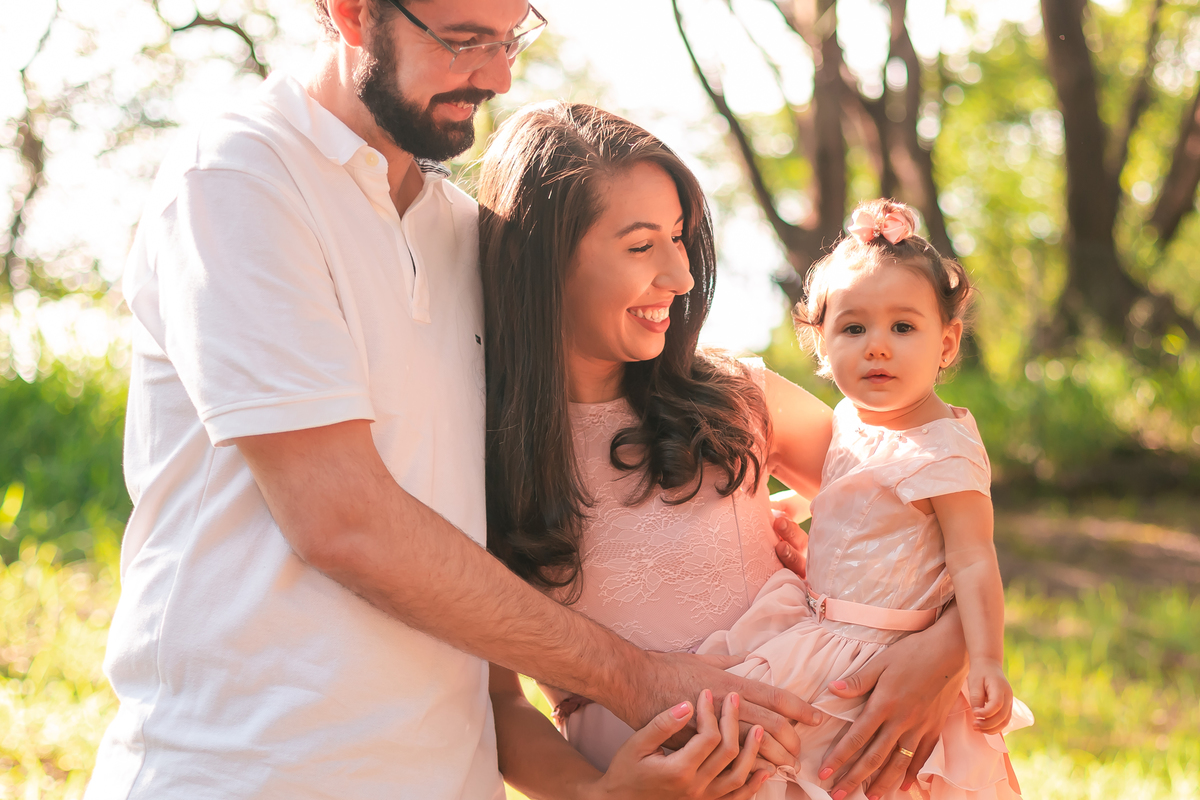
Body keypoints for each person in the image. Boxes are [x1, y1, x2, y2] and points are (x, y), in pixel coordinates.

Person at [85, 4, 814, 799]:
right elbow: (343, 520)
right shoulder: (239, 178)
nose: (498, 76)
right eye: (465, 40)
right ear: (352, 13)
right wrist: (633, 676)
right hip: (249, 771)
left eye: (511, 38)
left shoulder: (469, 237)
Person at [478, 103, 974, 800]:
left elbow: (939, 498)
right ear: (544, 256)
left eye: (680, 239)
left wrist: (948, 648)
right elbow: (496, 703)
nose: (680, 277)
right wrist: (597, 796)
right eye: (642, 245)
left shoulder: (732, 397)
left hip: (831, 759)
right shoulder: (481, 453)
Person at [696, 199, 1035, 799]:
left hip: (884, 648)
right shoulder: (854, 419)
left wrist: (985, 660)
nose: (878, 346)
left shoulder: (943, 450)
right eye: (854, 328)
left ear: (947, 342)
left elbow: (975, 558)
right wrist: (794, 508)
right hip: (820, 632)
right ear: (821, 347)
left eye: (903, 327)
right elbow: (851, 485)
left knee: (868, 776)